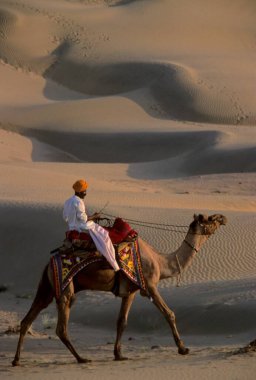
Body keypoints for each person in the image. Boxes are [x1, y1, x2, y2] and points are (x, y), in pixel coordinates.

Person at [63, 179, 120, 272]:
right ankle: (112, 261)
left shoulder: (67, 201)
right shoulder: (79, 202)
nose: (85, 193)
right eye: (85, 191)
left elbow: (65, 217)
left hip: (72, 227)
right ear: (80, 192)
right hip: (82, 228)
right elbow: (83, 219)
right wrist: (95, 216)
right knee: (105, 236)